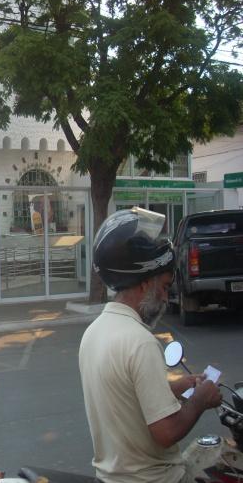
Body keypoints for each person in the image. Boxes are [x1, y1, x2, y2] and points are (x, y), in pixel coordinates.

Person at [79, 207, 222, 483]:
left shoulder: (94, 332)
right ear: (145, 284)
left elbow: (123, 392)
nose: (166, 298)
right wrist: (201, 400)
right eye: (166, 287)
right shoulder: (140, 342)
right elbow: (166, 432)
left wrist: (178, 386)